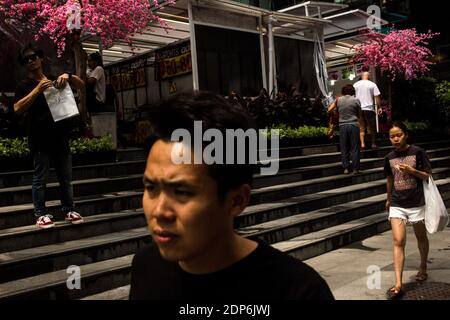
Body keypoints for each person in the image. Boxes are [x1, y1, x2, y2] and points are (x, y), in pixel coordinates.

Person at [129, 91, 334, 300]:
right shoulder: (146, 267)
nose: (159, 211)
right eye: (151, 188)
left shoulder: (298, 291)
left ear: (237, 200)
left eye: (182, 192)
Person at [14, 43, 85, 229]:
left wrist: (68, 76)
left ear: (41, 58)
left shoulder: (55, 80)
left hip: (60, 136)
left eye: (34, 57)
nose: (31, 61)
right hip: (39, 139)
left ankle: (69, 208)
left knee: (66, 177)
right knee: (40, 179)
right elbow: (17, 108)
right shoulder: (24, 85)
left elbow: (81, 85)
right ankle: (41, 213)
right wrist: (37, 90)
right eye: (26, 60)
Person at [384, 122, 432, 300]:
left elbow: (428, 175)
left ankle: (423, 267)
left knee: (421, 237)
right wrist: (388, 198)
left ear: (406, 135)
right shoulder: (389, 157)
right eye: (392, 136)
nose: (395, 139)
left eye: (398, 135)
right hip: (397, 203)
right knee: (398, 240)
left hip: (417, 203)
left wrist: (413, 170)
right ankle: (398, 282)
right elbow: (389, 179)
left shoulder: (418, 152)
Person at [328, 84, 362, 174]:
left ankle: (346, 168)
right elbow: (359, 113)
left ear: (343, 91)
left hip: (342, 126)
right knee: (354, 147)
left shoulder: (338, 100)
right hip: (354, 125)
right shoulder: (356, 100)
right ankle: (355, 168)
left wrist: (337, 113)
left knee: (344, 147)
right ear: (352, 91)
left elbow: (329, 110)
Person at [353, 71, 382, 149]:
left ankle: (362, 144)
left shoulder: (355, 85)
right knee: (371, 127)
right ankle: (373, 144)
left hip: (359, 109)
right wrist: (379, 107)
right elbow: (377, 97)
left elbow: (353, 96)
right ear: (368, 77)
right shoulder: (372, 84)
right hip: (369, 109)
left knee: (361, 128)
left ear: (362, 76)